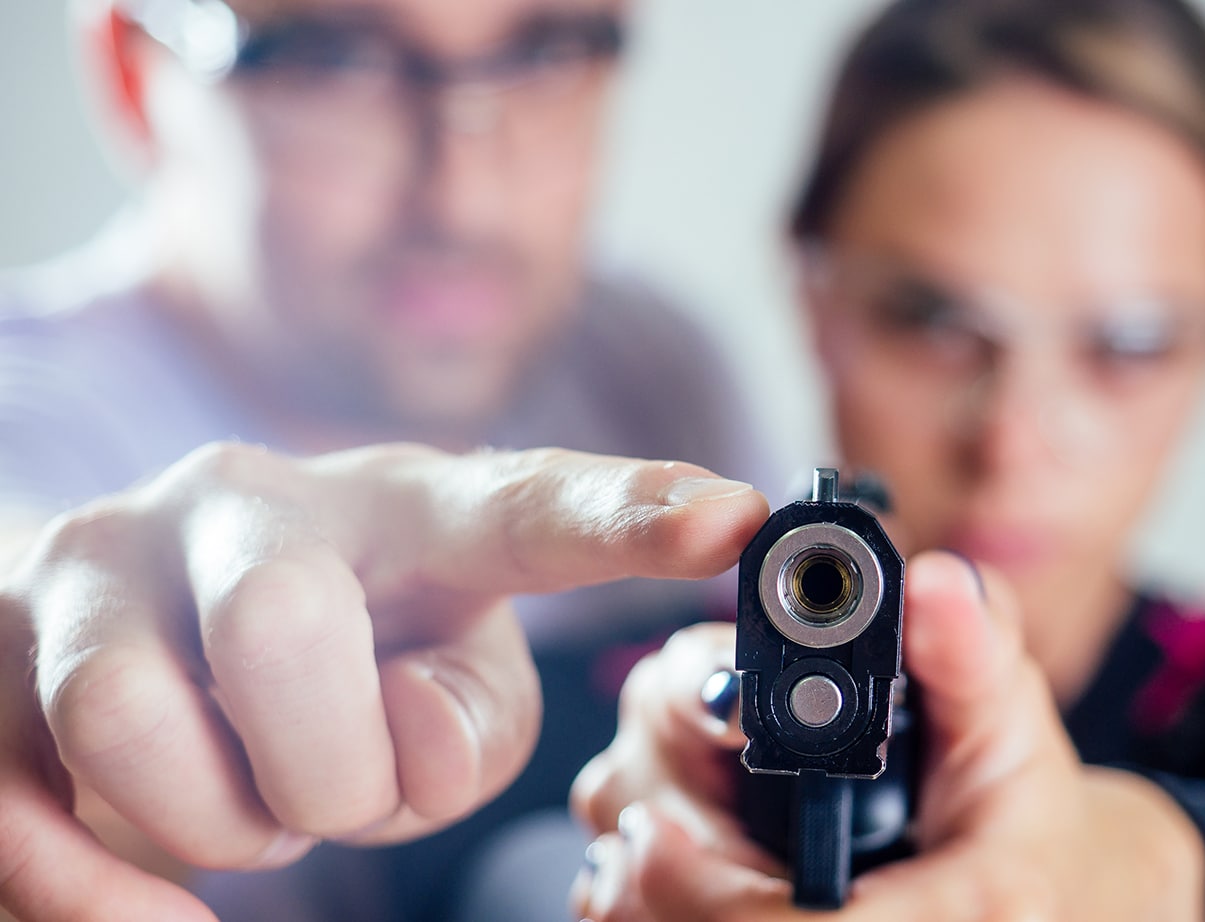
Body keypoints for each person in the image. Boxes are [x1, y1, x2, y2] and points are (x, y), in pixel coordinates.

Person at [570, 1, 1205, 919]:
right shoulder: (621, 704)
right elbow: (487, 864)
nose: (1008, 443)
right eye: (932, 325)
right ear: (813, 297)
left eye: (1130, 345)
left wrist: (1157, 868)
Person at [0, 0, 778, 919]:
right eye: (337, 59)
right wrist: (52, 671)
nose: (463, 196)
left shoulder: (655, 367)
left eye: (546, 50)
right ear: (138, 76)